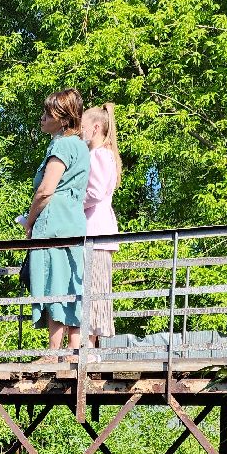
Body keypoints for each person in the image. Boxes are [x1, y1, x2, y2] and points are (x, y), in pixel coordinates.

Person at [23, 88, 89, 353]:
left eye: (47, 113)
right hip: (73, 222)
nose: (41, 118)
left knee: (53, 284)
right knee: (72, 284)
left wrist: (29, 221)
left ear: (62, 119)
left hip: (54, 224)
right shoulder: (81, 146)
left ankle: (53, 353)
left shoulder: (62, 145)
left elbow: (46, 189)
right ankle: (74, 353)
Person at [81, 102, 120, 346]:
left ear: (95, 128)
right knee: (91, 289)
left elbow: (94, 192)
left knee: (93, 290)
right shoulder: (103, 155)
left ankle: (88, 346)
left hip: (94, 231)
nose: (79, 131)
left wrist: (70, 204)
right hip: (96, 231)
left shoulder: (99, 155)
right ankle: (86, 344)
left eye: (82, 126)